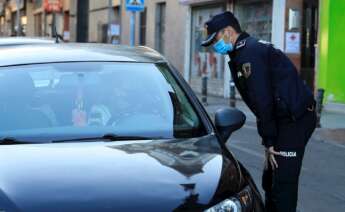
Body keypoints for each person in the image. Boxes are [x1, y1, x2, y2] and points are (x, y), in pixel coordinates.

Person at [201, 11, 317, 212]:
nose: (214, 45)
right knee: (271, 176)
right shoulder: (241, 52)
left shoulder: (250, 53)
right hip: (284, 118)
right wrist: (269, 141)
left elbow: (263, 101)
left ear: (228, 32)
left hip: (294, 120)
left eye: (216, 39)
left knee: (283, 184)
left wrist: (270, 140)